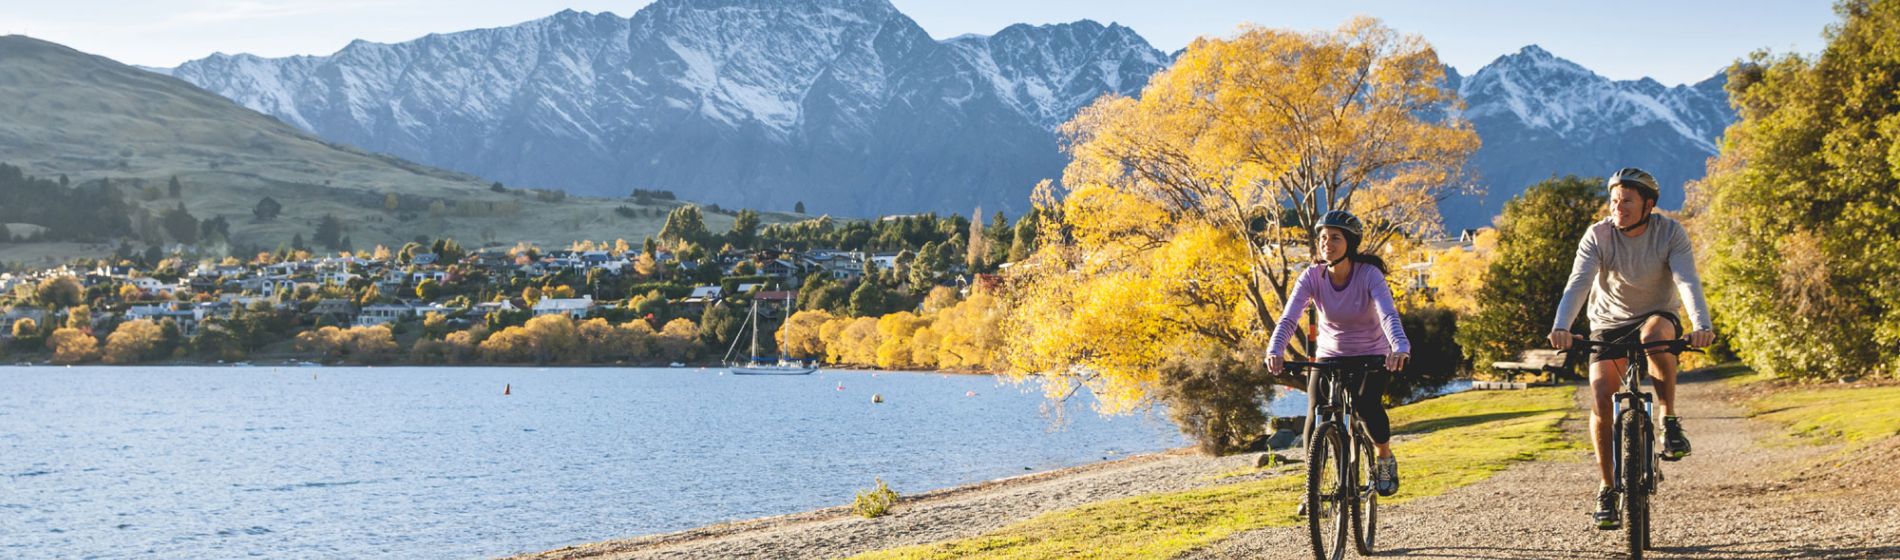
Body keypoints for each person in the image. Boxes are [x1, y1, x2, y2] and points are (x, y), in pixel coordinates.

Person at [1547, 167, 1716, 530]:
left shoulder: (1670, 233)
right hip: (1608, 323)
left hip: (1656, 315)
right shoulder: (1598, 235)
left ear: (1648, 205)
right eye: (1613, 201)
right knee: (1601, 394)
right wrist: (1561, 326)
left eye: (1627, 202)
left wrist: (1701, 325)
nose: (1618, 208)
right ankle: (1607, 488)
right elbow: (1578, 284)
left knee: (1655, 336)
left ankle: (1669, 421)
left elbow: (1687, 280)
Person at [1268, 209, 1411, 499]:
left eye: (1335, 238)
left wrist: (1399, 347)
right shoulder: (1312, 276)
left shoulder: (1368, 274)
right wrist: (1275, 349)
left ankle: (1383, 457)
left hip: (1372, 354)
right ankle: (1313, 484)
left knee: (1365, 405)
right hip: (1330, 354)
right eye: (1322, 238)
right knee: (1315, 408)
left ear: (1351, 243)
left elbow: (1388, 315)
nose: (1327, 244)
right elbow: (1288, 318)